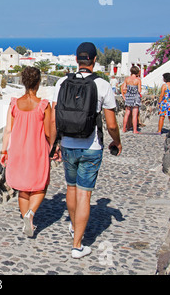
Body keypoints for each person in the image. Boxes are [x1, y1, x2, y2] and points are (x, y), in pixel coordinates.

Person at [50, 42, 122, 259]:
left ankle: (74, 227)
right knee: (84, 194)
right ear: (94, 60)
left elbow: (54, 119)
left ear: (76, 60)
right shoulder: (102, 84)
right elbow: (111, 124)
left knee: (70, 189)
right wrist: (117, 142)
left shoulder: (62, 82)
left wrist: (53, 145)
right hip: (91, 147)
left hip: (68, 146)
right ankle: (77, 244)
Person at [0, 66, 52, 238]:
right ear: (38, 82)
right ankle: (30, 214)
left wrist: (3, 151)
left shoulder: (14, 104)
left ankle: (26, 219)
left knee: (23, 188)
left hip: (18, 150)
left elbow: (8, 130)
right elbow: (49, 132)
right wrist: (52, 149)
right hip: (37, 150)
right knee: (40, 185)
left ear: (23, 82)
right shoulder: (43, 105)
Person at [122, 66, 142, 134]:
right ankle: (135, 130)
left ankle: (124, 128)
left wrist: (128, 91)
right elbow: (139, 90)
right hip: (135, 97)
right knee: (134, 114)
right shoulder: (138, 80)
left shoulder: (127, 79)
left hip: (128, 97)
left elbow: (124, 88)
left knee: (127, 113)